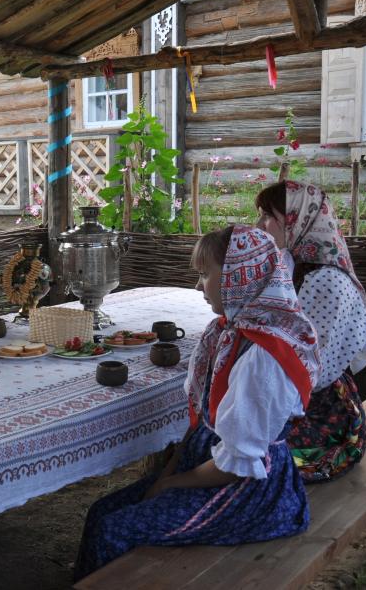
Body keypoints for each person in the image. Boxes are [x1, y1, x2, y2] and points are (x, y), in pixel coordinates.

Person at [74, 225, 319, 580]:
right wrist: (171, 470)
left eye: (205, 275)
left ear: (239, 277)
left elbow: (239, 463)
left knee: (113, 529)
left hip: (248, 490)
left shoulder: (263, 356)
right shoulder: (231, 332)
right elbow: (203, 420)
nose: (198, 286)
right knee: (101, 511)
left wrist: (170, 484)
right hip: (210, 464)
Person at [256, 180, 366, 482]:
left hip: (325, 421)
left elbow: (313, 372)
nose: (259, 224)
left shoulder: (324, 281)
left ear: (298, 220)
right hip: (292, 399)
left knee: (244, 452)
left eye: (268, 216)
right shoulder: (294, 265)